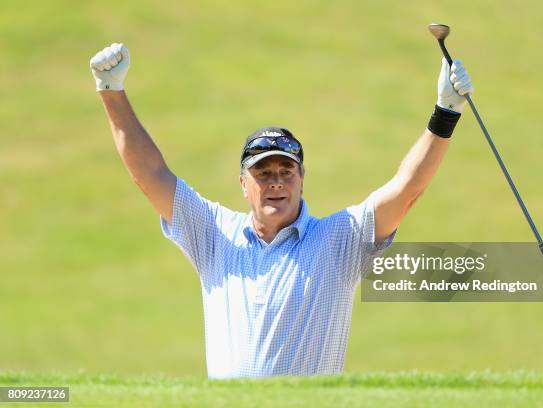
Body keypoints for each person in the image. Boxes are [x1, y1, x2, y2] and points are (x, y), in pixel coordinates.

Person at [90, 43, 473, 378]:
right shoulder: (213, 233)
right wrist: (112, 91)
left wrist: (445, 114)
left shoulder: (340, 238)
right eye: (262, 172)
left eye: (285, 171)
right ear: (243, 183)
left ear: (302, 179)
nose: (275, 181)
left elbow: (406, 191)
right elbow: (149, 174)